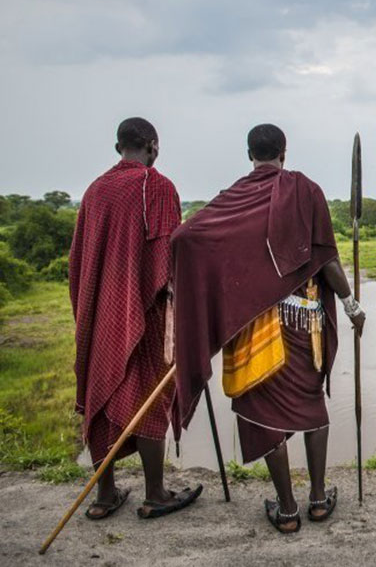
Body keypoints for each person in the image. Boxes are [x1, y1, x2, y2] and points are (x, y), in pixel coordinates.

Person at [170, 123, 365, 534]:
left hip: (254, 328)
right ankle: (316, 500)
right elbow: (327, 260)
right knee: (311, 404)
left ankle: (288, 510)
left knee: (264, 415)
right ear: (284, 152)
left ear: (249, 155)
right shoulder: (306, 190)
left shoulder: (232, 199)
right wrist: (351, 306)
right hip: (302, 321)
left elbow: (186, 235)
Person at [69, 117, 202, 520]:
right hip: (144, 312)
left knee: (101, 393)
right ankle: (155, 493)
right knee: (149, 397)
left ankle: (105, 495)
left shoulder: (94, 191)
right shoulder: (156, 186)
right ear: (153, 145)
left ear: (118, 148)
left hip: (99, 311)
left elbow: (77, 261)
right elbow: (166, 261)